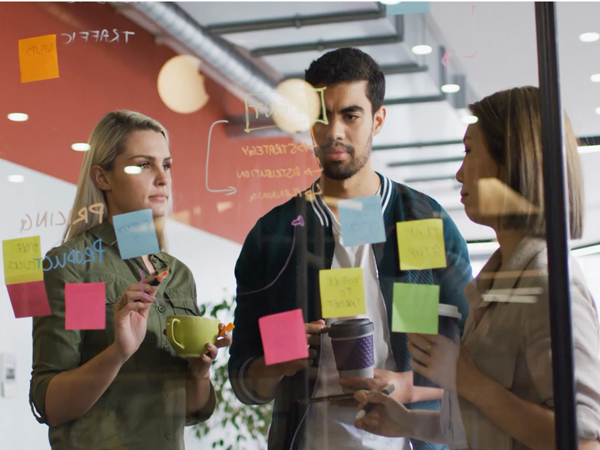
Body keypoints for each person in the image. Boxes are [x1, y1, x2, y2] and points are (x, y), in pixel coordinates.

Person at [229, 47, 472, 450]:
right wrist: (281, 359)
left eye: (351, 115)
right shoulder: (274, 237)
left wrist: (406, 385)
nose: (334, 132)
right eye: (323, 117)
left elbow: (472, 359)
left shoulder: (421, 221)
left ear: (377, 120)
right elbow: (244, 381)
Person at [353, 86, 600, 450]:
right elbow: (490, 424)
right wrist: (407, 422)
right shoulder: (501, 283)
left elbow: (582, 442)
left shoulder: (547, 284)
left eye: (469, 151)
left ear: (511, 161)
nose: (459, 173)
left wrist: (468, 380)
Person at [29, 111, 232, 449]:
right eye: (143, 165)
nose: (163, 178)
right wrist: (118, 352)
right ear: (102, 177)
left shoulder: (178, 275)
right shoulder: (77, 267)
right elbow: (50, 404)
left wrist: (199, 372)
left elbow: (193, 410)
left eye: (166, 165)